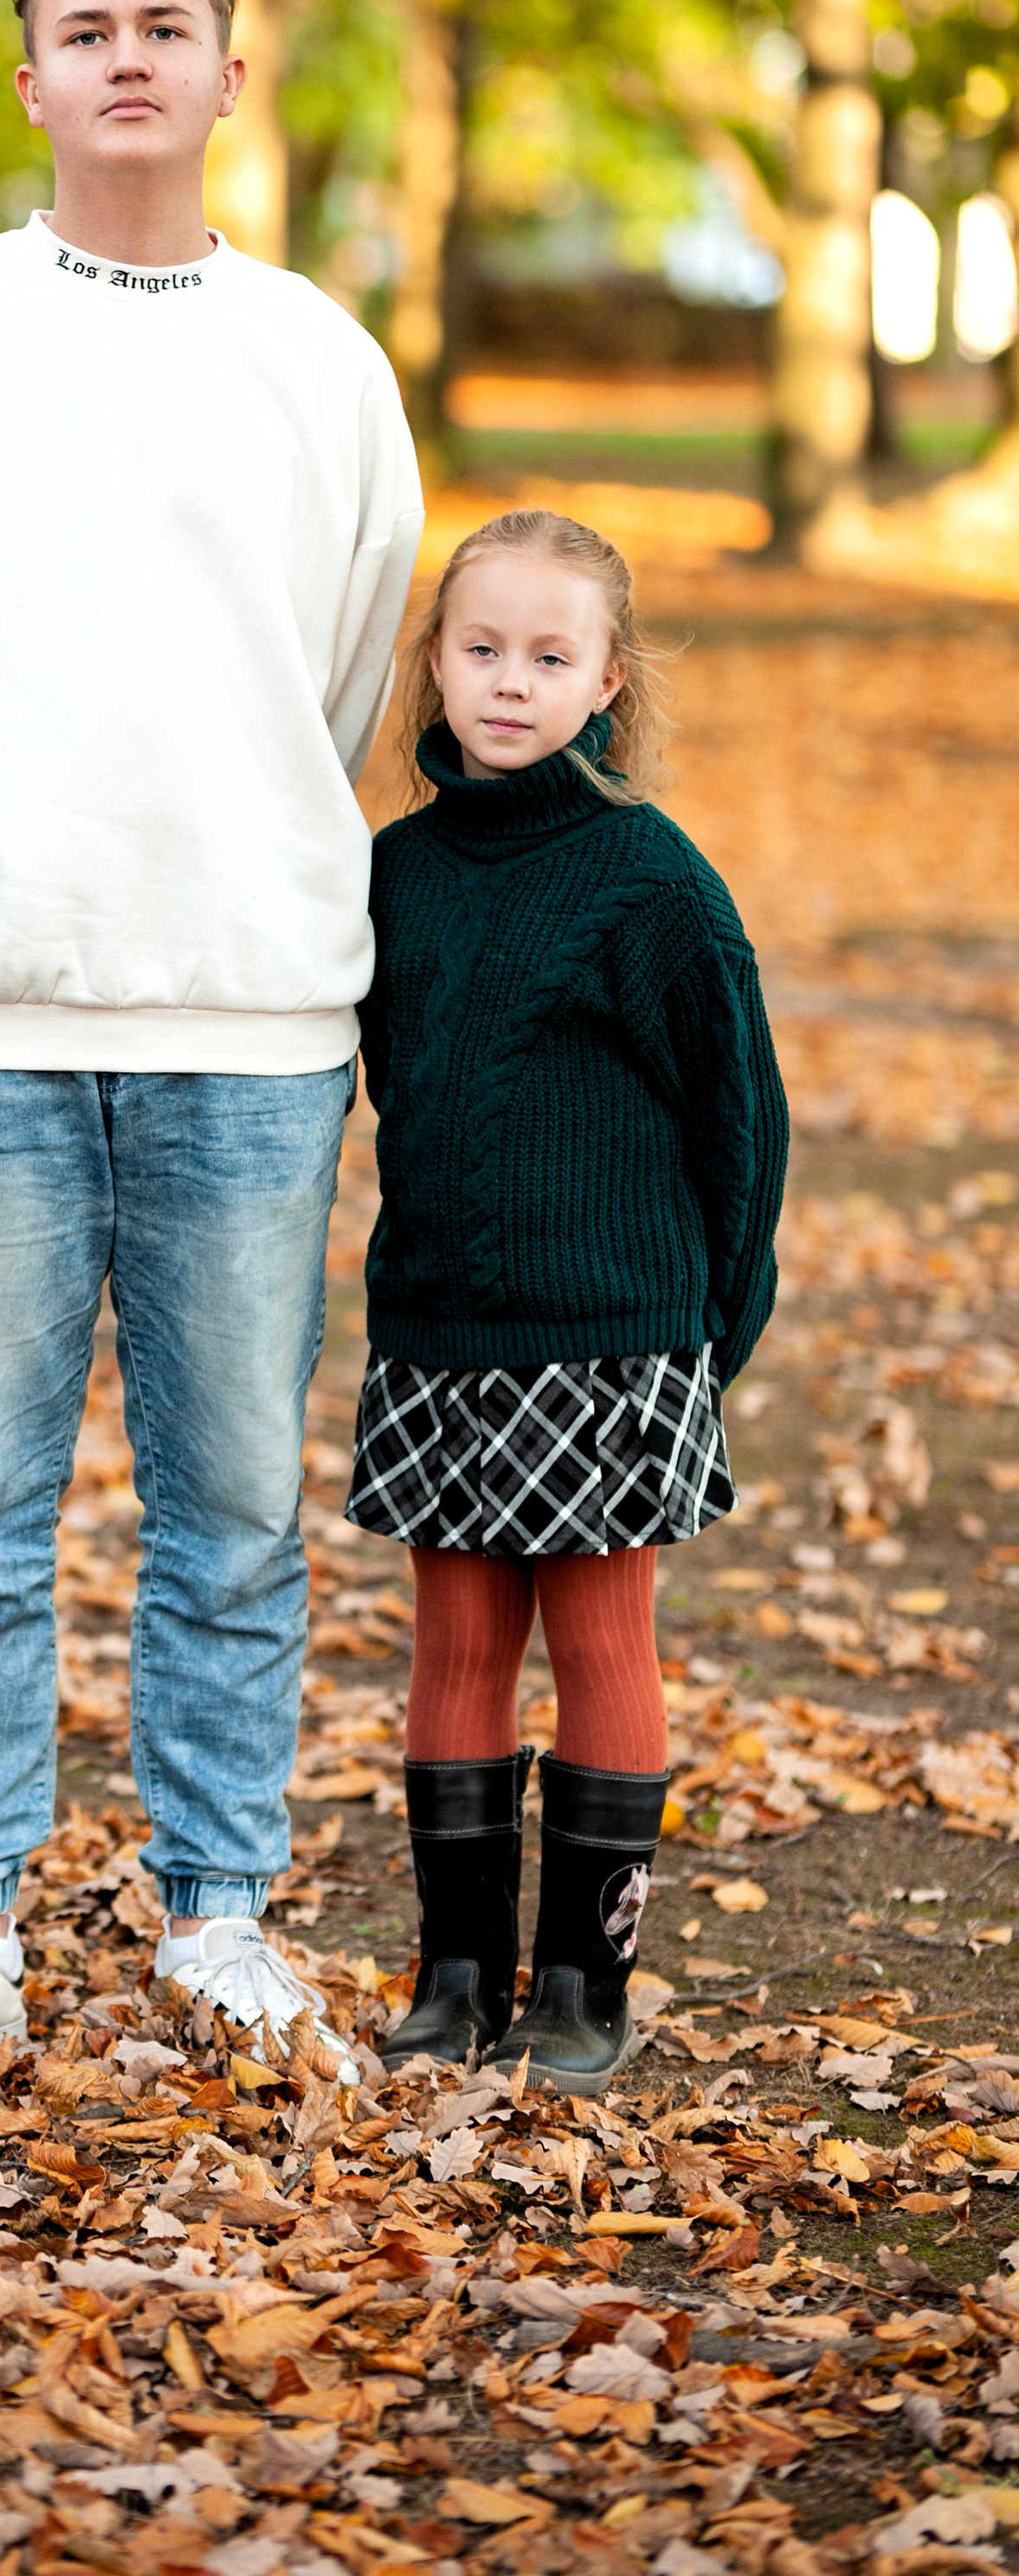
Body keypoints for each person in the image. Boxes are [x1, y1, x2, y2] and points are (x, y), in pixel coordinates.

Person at [0, 0, 424, 2072]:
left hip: (244, 1015)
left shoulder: (319, 359)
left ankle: (216, 1906)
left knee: (232, 1504)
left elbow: (336, 678)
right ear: (29, 76)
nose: (126, 57)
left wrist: (221, 846)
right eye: (84, 27)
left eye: (166, 24)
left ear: (231, 71)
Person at [351, 506, 788, 2096]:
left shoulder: (649, 882)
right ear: (436, 666)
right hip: (443, 1330)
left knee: (601, 1639)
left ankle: (583, 1988)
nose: (511, 681)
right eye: (481, 649)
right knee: (455, 1643)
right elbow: (399, 1079)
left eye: (550, 656)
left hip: (611, 1339)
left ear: (607, 679)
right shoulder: (390, 874)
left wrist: (703, 1335)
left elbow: (742, 1124)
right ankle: (455, 1971)